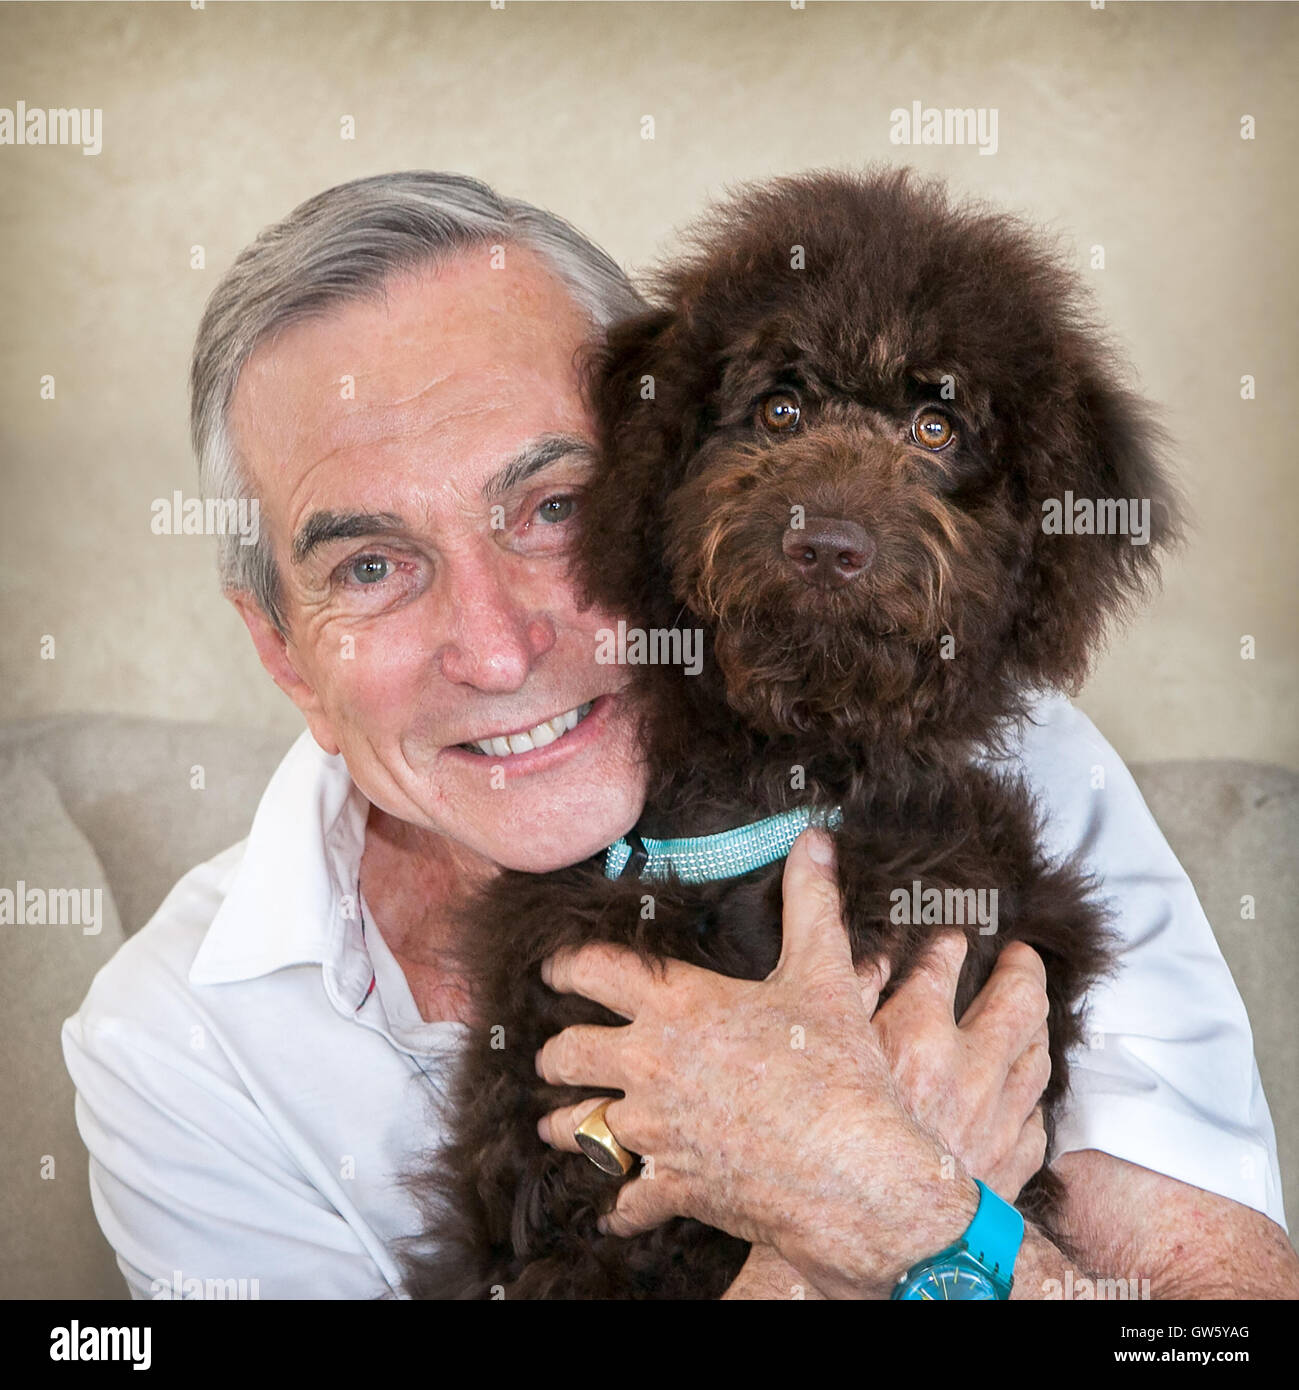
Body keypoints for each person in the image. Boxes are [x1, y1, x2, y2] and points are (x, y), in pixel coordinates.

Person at [63, 172, 1296, 1299]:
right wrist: (839, 1222)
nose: (495, 649)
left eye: (549, 507)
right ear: (284, 653)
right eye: (373, 563)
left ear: (648, 485)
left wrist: (929, 1220)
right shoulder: (174, 1049)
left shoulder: (1014, 759)